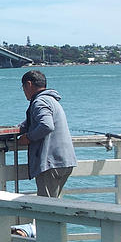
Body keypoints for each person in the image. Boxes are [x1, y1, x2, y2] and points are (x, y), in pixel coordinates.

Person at [18, 70, 77, 198]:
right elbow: (25, 125)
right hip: (65, 161)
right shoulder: (52, 100)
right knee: (54, 204)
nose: (23, 91)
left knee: (47, 206)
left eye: (23, 87)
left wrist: (28, 137)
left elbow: (47, 125)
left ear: (28, 84)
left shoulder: (39, 102)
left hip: (51, 163)